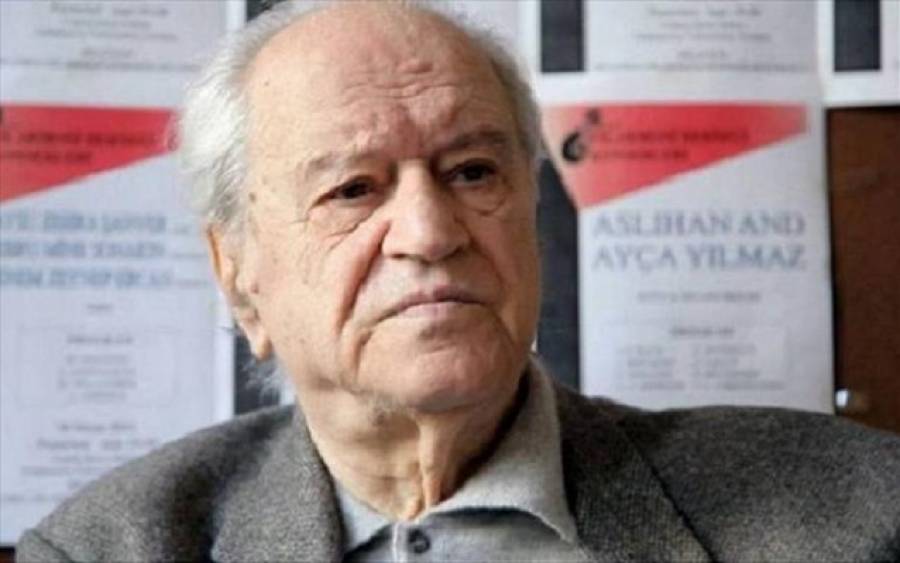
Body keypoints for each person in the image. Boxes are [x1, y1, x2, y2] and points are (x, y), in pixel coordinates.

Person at [17, 2, 900, 562]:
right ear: (238, 276)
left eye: (473, 172)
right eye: (352, 189)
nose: (431, 233)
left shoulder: (858, 510)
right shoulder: (110, 546)